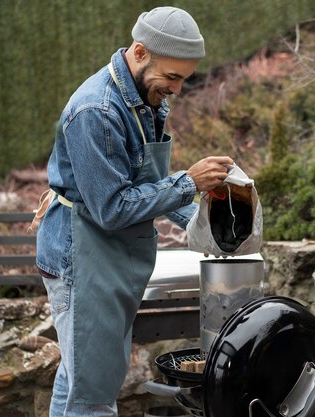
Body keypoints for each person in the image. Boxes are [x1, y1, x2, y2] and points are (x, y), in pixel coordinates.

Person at [32, 6, 233, 417]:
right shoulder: (98, 112)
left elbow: (144, 182)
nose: (176, 89)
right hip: (82, 257)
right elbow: (113, 207)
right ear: (140, 52)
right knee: (93, 394)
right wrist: (188, 182)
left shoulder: (144, 97)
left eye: (183, 79)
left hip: (108, 255)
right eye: (172, 77)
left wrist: (204, 225)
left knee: (79, 376)